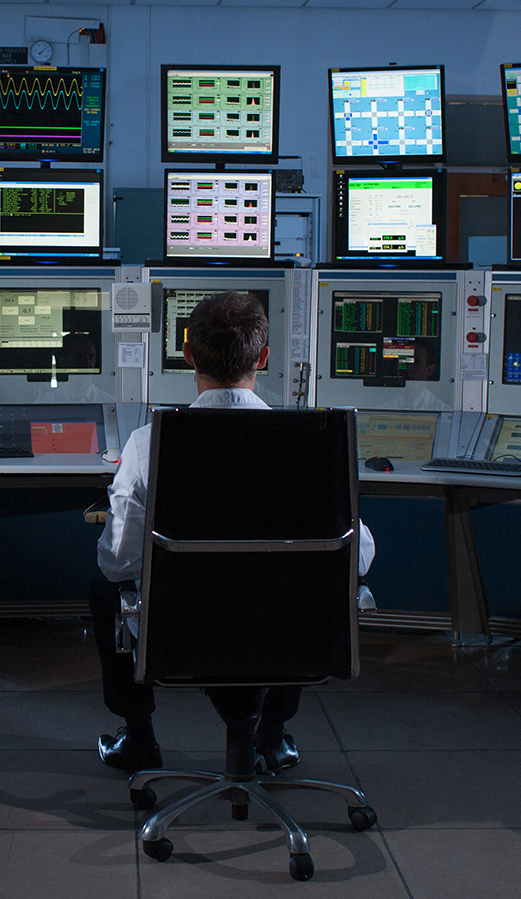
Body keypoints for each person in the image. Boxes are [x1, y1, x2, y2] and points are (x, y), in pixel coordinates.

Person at [89, 290, 375, 774]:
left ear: (187, 355)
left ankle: (139, 738)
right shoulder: (309, 444)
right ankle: (273, 736)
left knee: (103, 589)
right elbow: (358, 557)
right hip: (284, 632)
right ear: (263, 357)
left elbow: (117, 561)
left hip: (185, 633)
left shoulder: (148, 443)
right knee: (304, 585)